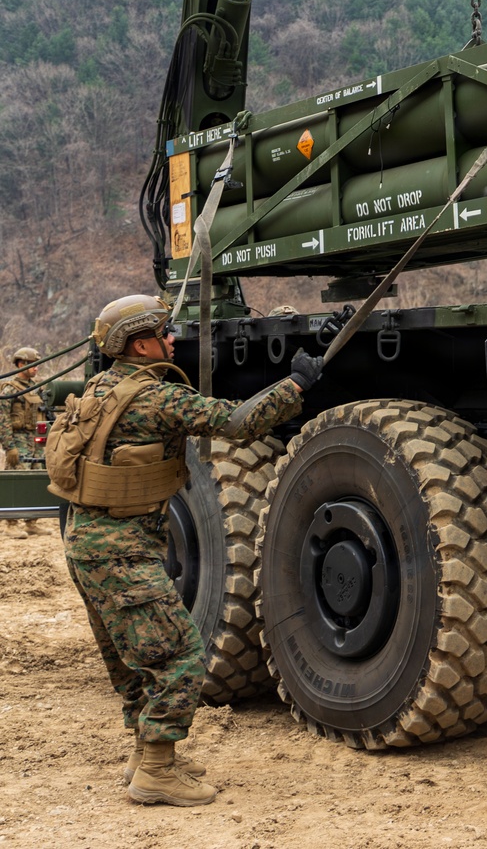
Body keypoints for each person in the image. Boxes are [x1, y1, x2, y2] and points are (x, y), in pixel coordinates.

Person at [51, 293, 323, 808]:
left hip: (87, 545)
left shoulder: (102, 388)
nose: (172, 340)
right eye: (163, 333)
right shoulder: (156, 399)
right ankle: (156, 770)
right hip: (123, 550)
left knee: (134, 661)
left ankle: (144, 755)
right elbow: (238, 423)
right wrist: (296, 384)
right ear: (138, 343)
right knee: (181, 655)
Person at [1, 347, 45, 538]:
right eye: (32, 364)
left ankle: (31, 522)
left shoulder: (37, 388)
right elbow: (2, 420)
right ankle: (11, 524)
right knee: (16, 481)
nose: (36, 368)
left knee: (36, 479)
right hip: (17, 439)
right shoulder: (9, 389)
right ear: (21, 365)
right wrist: (9, 447)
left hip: (35, 440)